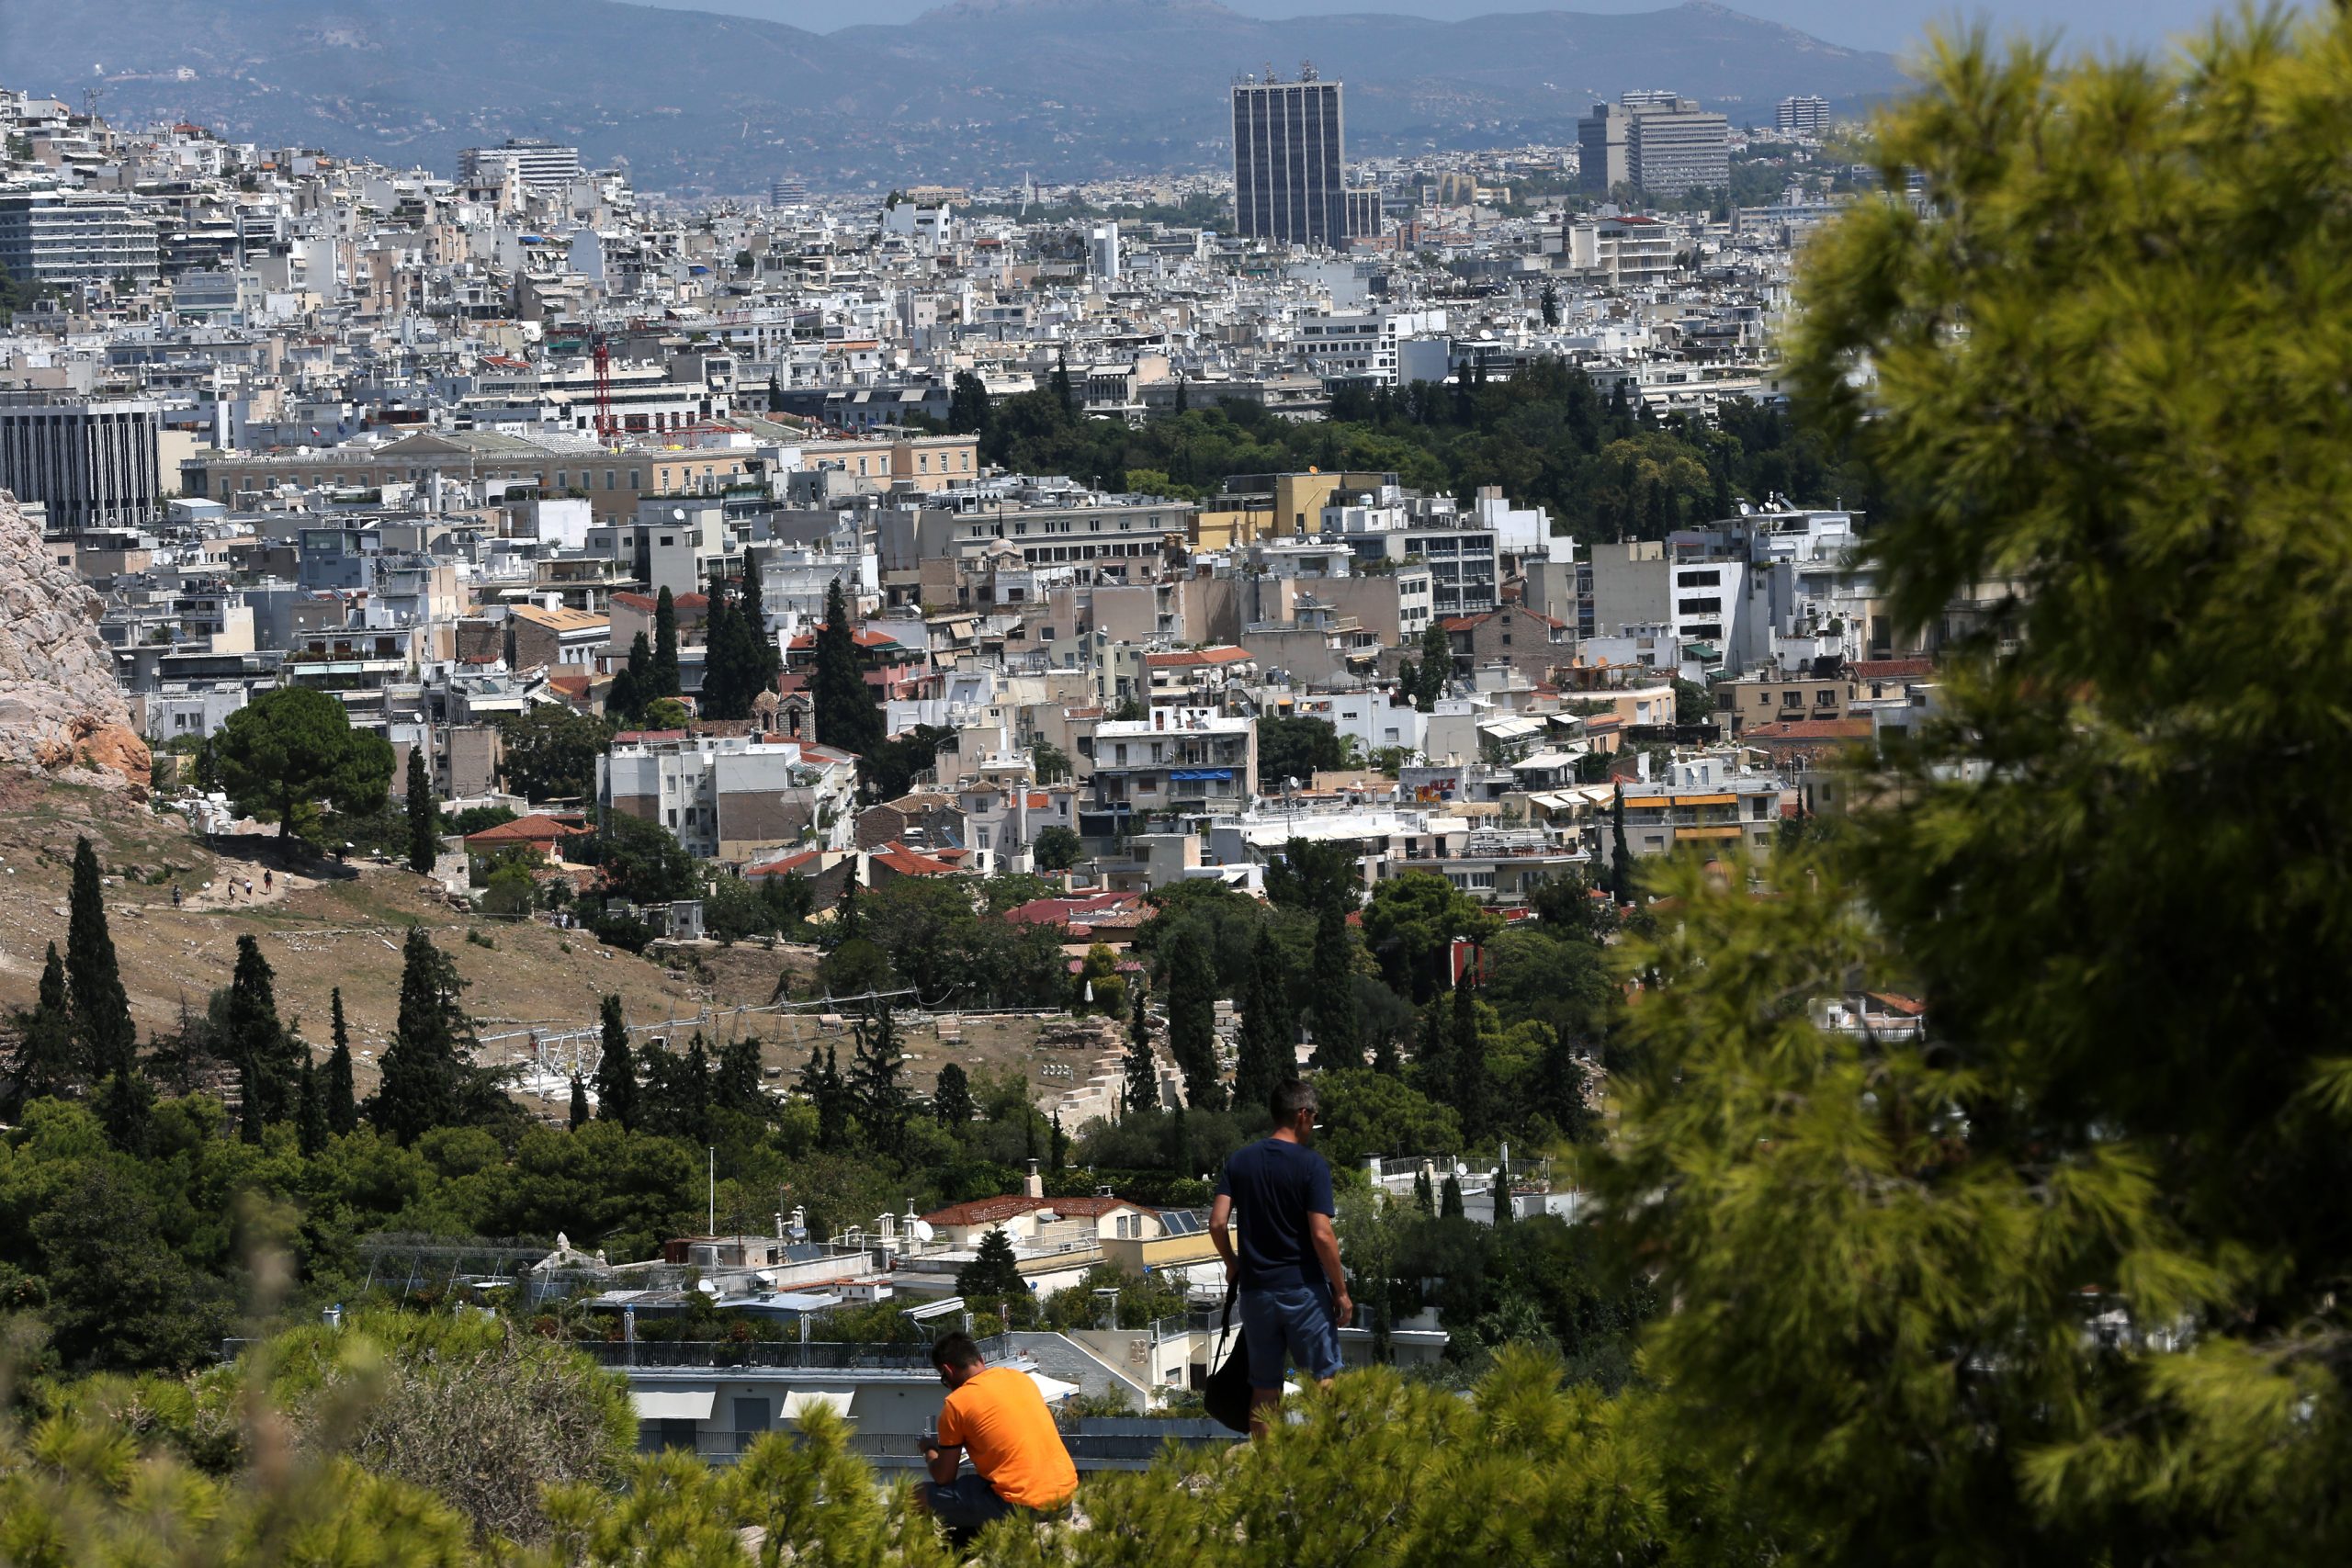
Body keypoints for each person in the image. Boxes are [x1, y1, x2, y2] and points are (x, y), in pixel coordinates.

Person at [1209, 1077, 1352, 1438]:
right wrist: (1341, 1290)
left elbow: (1216, 1223)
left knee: (1264, 1387)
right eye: (1314, 1117)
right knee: (1324, 1377)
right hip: (1302, 1289)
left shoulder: (1240, 1161)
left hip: (1257, 1294)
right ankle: (1329, 1456)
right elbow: (1321, 1234)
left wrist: (1232, 1264)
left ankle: (1266, 1468)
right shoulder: (1311, 1165)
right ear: (1302, 1114)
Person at [918, 1332, 1077, 1540]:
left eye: (944, 1379)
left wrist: (929, 1450)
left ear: (948, 1370)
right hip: (1064, 1499)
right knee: (972, 1484)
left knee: (918, 1495)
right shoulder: (1021, 1379)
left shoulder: (956, 1403)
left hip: (1022, 1505)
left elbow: (944, 1477)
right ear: (981, 1360)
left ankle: (926, 1558)